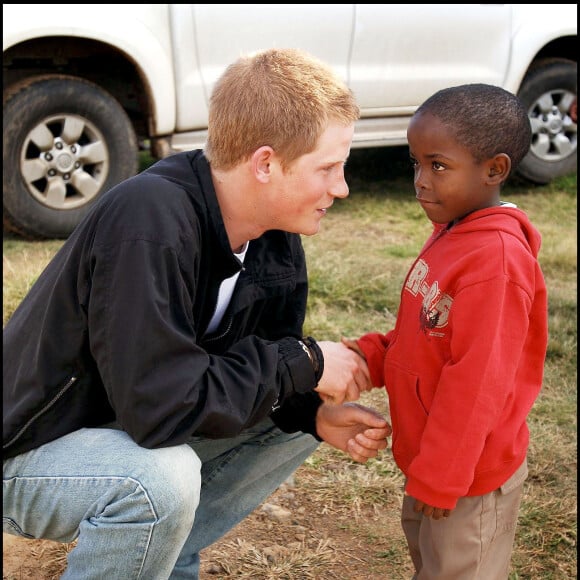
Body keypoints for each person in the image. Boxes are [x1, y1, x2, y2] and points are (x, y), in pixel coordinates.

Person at [3, 48, 392, 579]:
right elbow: (159, 409)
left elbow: (252, 365)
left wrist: (311, 414)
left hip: (120, 421)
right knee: (159, 480)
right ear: (265, 163)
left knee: (299, 399)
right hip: (26, 449)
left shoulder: (274, 235)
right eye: (328, 168)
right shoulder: (149, 218)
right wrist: (304, 360)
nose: (341, 187)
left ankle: (167, 562)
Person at [343, 84, 548, 579]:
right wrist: (369, 358)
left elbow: (478, 383)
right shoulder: (454, 231)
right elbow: (422, 335)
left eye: (438, 165)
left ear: (494, 170)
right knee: (431, 565)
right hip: (432, 461)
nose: (420, 180)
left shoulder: (495, 263)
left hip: (467, 478)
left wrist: (442, 475)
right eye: (415, 163)